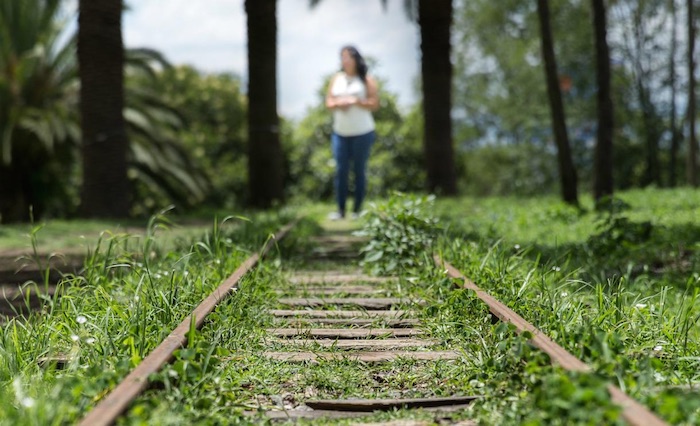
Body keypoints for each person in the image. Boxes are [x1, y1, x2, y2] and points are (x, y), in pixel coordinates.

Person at [325, 45, 379, 220]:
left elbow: (374, 103)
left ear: (356, 59)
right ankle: (340, 210)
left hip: (363, 132)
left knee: (359, 170)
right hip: (340, 132)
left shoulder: (366, 79)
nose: (345, 60)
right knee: (341, 171)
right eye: (342, 57)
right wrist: (339, 104)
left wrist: (356, 101)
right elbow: (329, 102)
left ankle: (357, 210)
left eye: (348, 57)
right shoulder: (336, 78)